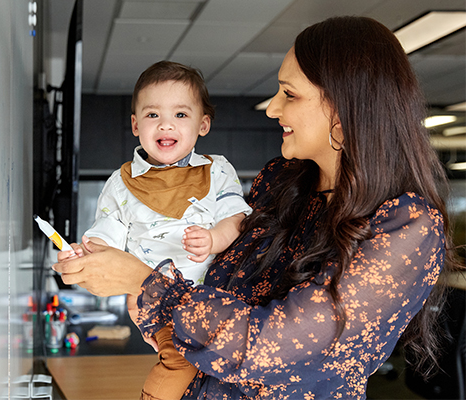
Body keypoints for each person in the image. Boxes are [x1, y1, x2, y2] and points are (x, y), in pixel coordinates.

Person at [54, 16, 462, 399]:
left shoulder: (407, 224)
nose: (272, 108)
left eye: (289, 94)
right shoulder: (283, 181)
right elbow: (215, 288)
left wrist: (146, 284)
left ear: (343, 107)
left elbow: (270, 348)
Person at [63, 61, 252, 400]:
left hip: (215, 297)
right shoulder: (122, 183)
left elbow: (237, 218)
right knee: (179, 360)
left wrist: (213, 239)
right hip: (153, 298)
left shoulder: (218, 170)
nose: (166, 123)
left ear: (202, 124)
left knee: (214, 369)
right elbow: (107, 233)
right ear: (135, 124)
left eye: (180, 114)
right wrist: (85, 252)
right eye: (152, 115)